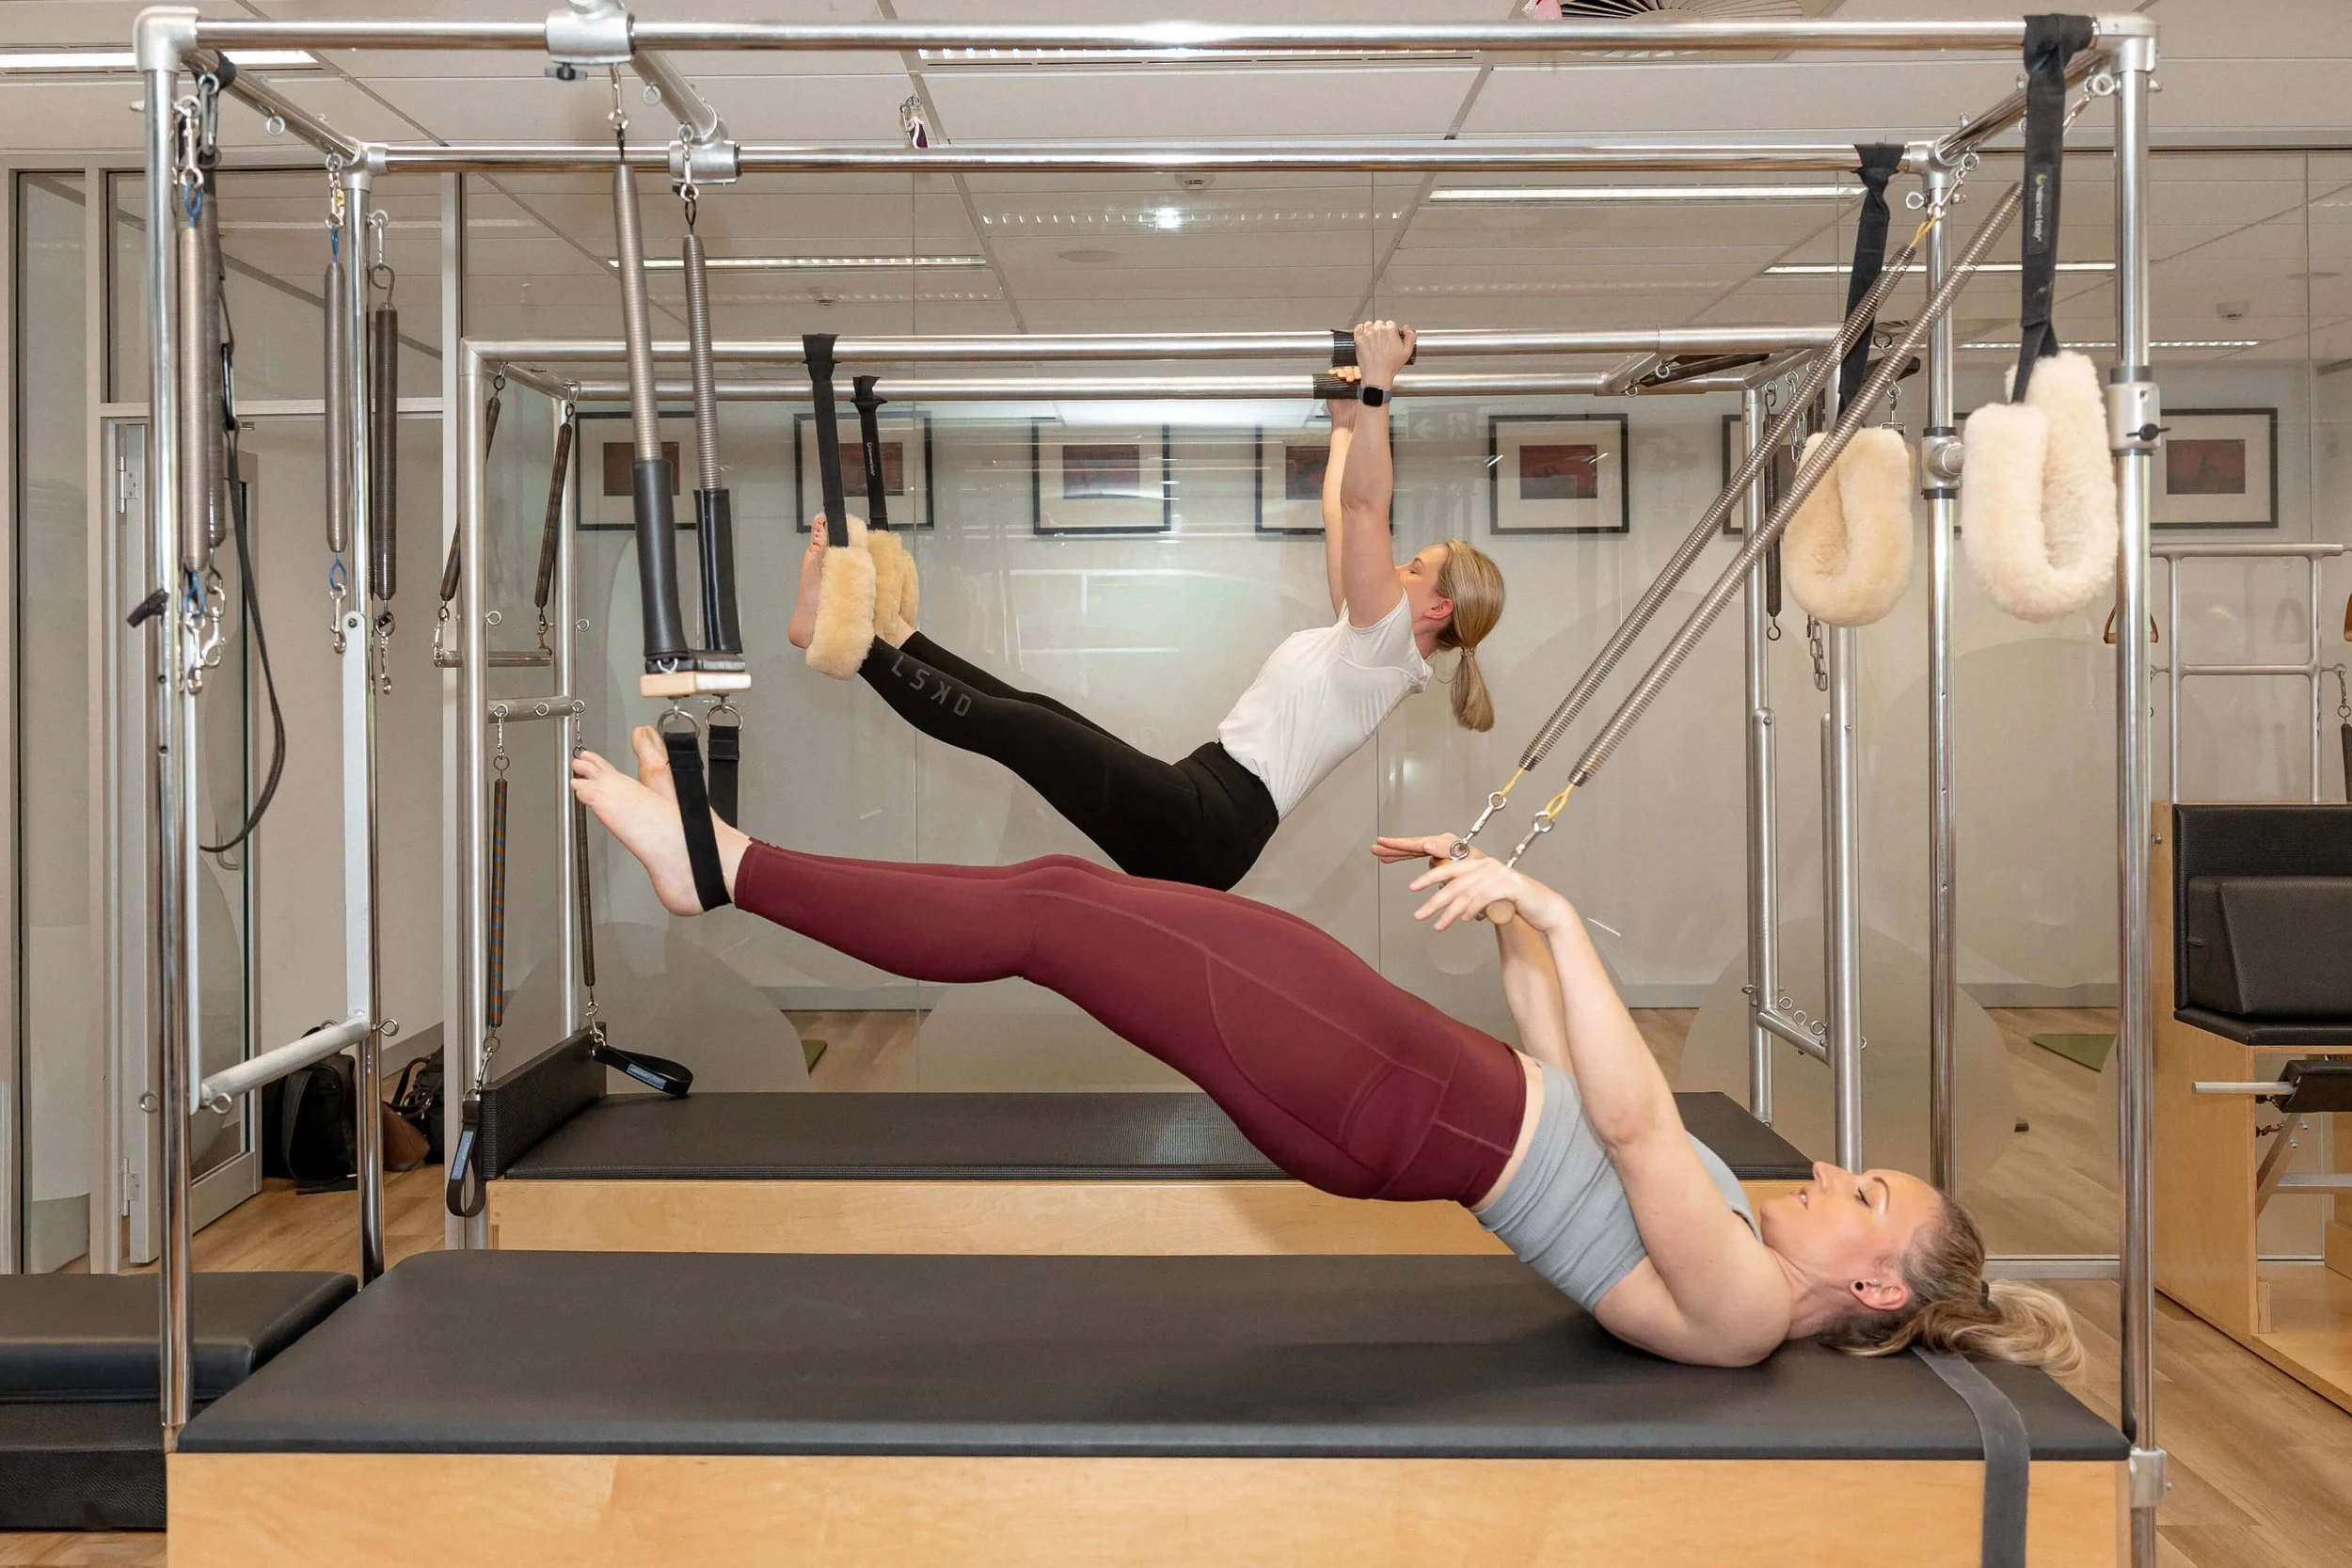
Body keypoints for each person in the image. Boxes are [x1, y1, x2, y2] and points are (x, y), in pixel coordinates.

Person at [570, 731, 2079, 1372]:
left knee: (1046, 911)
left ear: (1876, 1282)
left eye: (1866, 1189)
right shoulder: (1744, 1248)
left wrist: (1561, 913)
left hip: (1376, 1095)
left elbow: (1626, 1128)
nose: (1831, 1170)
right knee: (1070, 900)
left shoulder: (1750, 1305)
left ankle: (724, 868)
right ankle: (726, 864)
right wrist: (1509, 916)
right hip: (1399, 1065)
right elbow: (1563, 1067)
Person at [785, 320, 1506, 893]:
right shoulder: (1365, 638)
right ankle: (896, 635)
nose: (1399, 563)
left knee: (1022, 730)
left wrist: (1379, 385)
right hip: (1202, 798)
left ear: (1437, 609)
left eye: (1415, 566)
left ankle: (850, 641)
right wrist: (1346, 425)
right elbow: (1338, 514)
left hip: (1211, 823)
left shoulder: (1386, 646)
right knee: (1030, 710)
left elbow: (1362, 505)